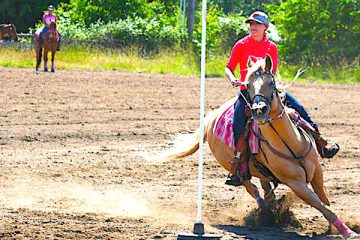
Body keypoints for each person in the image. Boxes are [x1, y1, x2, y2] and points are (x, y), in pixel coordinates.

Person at [224, 11, 339, 186]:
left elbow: (272, 71)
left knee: (299, 108)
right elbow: (229, 67)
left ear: (265, 27)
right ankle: (239, 167)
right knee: (238, 123)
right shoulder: (240, 45)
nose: (252, 27)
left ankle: (321, 142)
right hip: (247, 92)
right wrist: (233, 79)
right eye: (250, 24)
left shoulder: (272, 47)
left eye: (256, 24)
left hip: (269, 91)